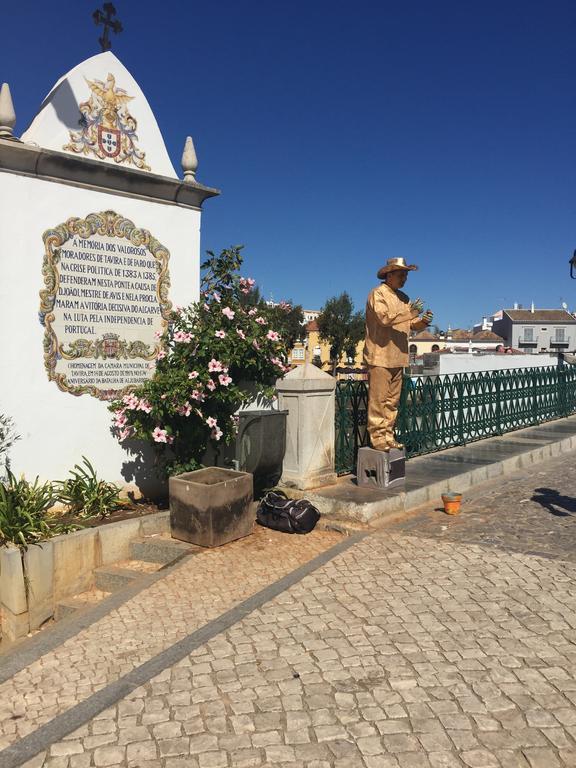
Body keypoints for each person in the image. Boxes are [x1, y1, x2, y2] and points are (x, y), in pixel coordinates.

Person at [363, 257, 433, 451]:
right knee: (378, 400)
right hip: (380, 355)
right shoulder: (377, 294)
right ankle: (377, 437)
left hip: (398, 356)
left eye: (406, 276)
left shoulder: (404, 298)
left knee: (392, 401)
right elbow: (384, 319)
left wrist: (423, 322)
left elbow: (410, 324)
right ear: (389, 275)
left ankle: (388, 435)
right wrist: (411, 313)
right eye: (401, 275)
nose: (404, 279)